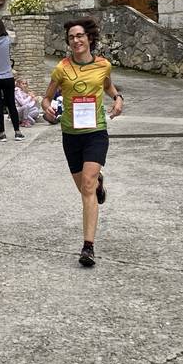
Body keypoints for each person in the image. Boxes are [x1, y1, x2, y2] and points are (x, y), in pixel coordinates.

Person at [41, 17, 123, 268]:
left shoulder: (103, 66)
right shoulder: (61, 69)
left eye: (79, 36)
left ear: (89, 38)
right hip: (71, 135)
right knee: (85, 187)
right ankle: (99, 182)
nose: (75, 41)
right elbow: (46, 98)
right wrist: (46, 109)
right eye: (71, 38)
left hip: (96, 132)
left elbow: (108, 86)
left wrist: (117, 98)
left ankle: (88, 247)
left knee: (86, 187)